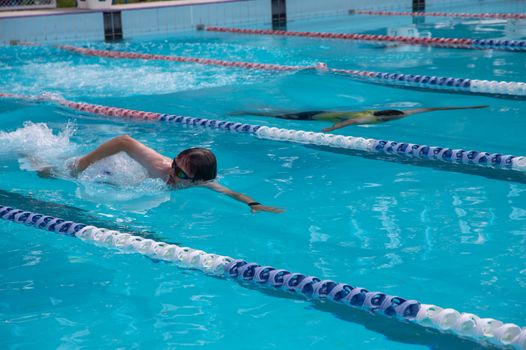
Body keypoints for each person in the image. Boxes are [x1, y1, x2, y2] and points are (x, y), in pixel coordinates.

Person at [63, 135, 283, 214]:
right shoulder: (161, 166)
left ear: (196, 181)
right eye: (175, 164)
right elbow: (123, 141)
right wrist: (80, 166)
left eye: (180, 172)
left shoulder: (200, 184)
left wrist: (253, 204)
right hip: (102, 170)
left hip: (115, 180)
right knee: (52, 172)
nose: (172, 171)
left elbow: (229, 192)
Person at [230, 105, 488, 132]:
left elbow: (427, 109)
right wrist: (330, 130)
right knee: (277, 116)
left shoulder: (396, 114)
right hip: (314, 117)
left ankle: (251, 108)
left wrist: (466, 107)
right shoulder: (369, 119)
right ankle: (245, 112)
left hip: (327, 111)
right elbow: (350, 123)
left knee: (277, 110)